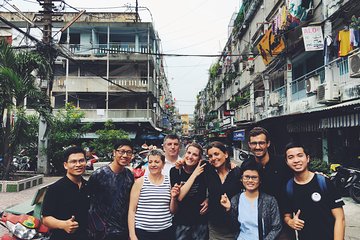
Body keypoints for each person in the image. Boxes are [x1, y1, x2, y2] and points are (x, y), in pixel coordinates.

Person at [283, 142, 345, 240]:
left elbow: (340, 218)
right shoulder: (288, 187)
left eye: (300, 156)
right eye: (291, 157)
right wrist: (290, 222)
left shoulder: (324, 182)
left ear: (307, 158)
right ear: (286, 162)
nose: (296, 160)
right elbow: (287, 215)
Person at [245, 126, 294, 239]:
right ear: (249, 144)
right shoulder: (247, 165)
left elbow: (300, 175)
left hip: (283, 223)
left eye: (261, 143)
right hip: (256, 223)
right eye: (254, 143)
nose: (258, 147)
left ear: (268, 143)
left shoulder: (282, 163)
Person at [220, 160, 282, 240]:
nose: (250, 181)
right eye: (247, 177)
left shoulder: (270, 201)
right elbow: (233, 227)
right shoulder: (236, 199)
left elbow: (276, 227)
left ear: (260, 180)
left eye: (254, 177)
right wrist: (229, 209)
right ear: (241, 179)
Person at [87, 139, 135, 240]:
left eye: (129, 152)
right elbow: (88, 201)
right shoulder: (98, 175)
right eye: (121, 151)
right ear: (114, 152)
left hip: (123, 231)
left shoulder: (129, 175)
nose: (125, 155)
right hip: (102, 232)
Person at [128, 149, 180, 240]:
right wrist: (132, 235)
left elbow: (173, 210)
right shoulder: (140, 182)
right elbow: (132, 210)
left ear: (163, 164)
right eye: (150, 162)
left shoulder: (170, 182)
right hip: (142, 232)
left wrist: (174, 198)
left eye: (157, 162)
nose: (153, 165)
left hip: (165, 231)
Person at [42, 146, 89, 240]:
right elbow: (46, 219)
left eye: (81, 161)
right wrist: (63, 224)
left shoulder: (88, 186)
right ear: (65, 165)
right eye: (73, 161)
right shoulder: (55, 189)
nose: (78, 164)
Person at [170, 142, 208, 240]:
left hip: (200, 221)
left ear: (199, 159)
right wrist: (194, 174)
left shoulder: (204, 170)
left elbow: (216, 185)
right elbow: (179, 196)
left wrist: (209, 199)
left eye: (195, 155)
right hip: (181, 222)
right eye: (188, 153)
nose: (190, 157)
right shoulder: (175, 171)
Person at [205, 141, 242, 240]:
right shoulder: (208, 172)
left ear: (225, 154)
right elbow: (191, 162)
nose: (213, 158)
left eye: (216, 154)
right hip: (215, 227)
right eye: (210, 156)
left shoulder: (237, 172)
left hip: (235, 226)